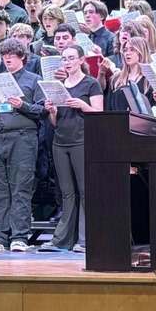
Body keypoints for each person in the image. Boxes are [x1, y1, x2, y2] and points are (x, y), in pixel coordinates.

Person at [0, 38, 45, 253]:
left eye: (11, 58)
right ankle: (0, 236)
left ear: (22, 57)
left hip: (22, 138)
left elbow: (41, 110)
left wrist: (21, 104)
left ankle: (20, 236)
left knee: (21, 187)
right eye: (4, 58)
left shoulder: (33, 80)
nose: (7, 62)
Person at [44, 44, 103, 252]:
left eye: (71, 58)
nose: (67, 62)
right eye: (64, 59)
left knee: (85, 190)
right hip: (60, 141)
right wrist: (51, 111)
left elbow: (99, 113)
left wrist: (83, 106)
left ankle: (85, 240)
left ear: (81, 60)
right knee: (67, 192)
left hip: (82, 140)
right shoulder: (59, 85)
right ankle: (62, 239)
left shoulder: (91, 84)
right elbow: (54, 122)